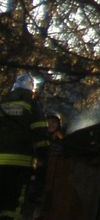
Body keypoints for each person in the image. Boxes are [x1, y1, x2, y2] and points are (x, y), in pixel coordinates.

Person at [0, 75, 47, 220]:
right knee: (14, 202)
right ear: (32, 89)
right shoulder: (32, 104)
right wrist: (44, 157)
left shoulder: (4, 102)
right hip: (20, 162)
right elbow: (40, 132)